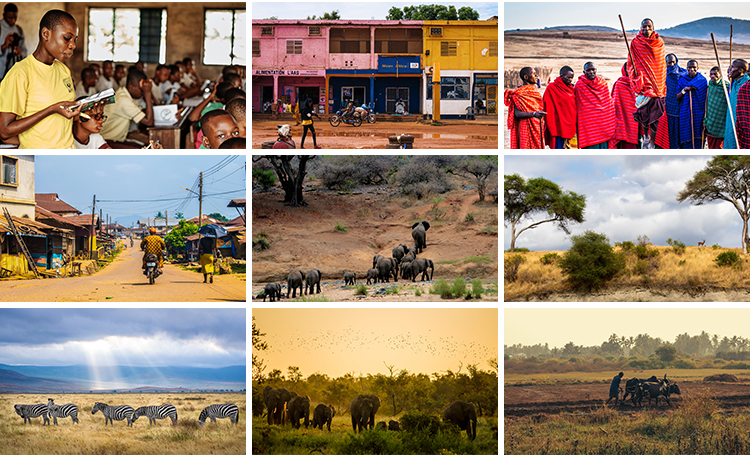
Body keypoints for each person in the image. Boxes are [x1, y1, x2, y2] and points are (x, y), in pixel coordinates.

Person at [0, 9, 80, 149]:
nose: (73, 45)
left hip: (69, 150)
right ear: (46, 34)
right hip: (42, 155)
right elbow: (5, 131)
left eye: (75, 40)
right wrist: (51, 110)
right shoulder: (20, 73)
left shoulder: (64, 71)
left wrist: (87, 110)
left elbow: (64, 118)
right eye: (67, 38)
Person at [627, 18, 666, 149]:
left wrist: (658, 82)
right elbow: (630, 64)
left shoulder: (659, 43)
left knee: (654, 119)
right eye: (644, 27)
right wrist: (635, 76)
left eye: (649, 27)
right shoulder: (635, 43)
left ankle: (653, 144)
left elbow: (661, 65)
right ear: (640, 27)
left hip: (657, 86)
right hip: (643, 86)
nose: (646, 29)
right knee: (643, 115)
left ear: (653, 28)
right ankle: (646, 138)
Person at [100, 68, 154, 147]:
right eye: (141, 90)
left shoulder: (126, 95)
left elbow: (144, 113)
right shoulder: (123, 100)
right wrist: (148, 93)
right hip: (106, 141)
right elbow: (149, 122)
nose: (143, 93)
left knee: (144, 145)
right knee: (141, 151)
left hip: (117, 139)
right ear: (131, 87)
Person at [575, 62, 615, 149]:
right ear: (584, 72)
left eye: (593, 70)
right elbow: (579, 106)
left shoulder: (603, 83)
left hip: (603, 125)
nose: (591, 72)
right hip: (589, 128)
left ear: (596, 70)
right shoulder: (579, 85)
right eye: (588, 70)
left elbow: (608, 105)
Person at [504, 66, 545, 149]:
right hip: (524, 125)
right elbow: (517, 113)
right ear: (526, 77)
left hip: (536, 125)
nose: (536, 76)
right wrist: (534, 114)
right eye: (533, 74)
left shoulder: (535, 92)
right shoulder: (519, 93)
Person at [676, 60, 707, 149]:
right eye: (690, 67)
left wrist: (693, 87)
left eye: (694, 67)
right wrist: (684, 90)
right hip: (685, 112)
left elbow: (704, 96)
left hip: (698, 112)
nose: (692, 69)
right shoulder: (682, 80)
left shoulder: (702, 80)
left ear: (697, 68)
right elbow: (678, 96)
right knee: (686, 133)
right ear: (687, 68)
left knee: (698, 134)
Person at [543, 65, 576, 149]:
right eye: (568, 77)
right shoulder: (551, 88)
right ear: (562, 76)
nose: (570, 80)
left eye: (572, 78)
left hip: (571, 125)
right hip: (557, 126)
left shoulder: (571, 88)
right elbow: (547, 106)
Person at [611, 63, 639, 148]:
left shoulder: (638, 84)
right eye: (628, 69)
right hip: (622, 121)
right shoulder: (619, 84)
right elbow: (615, 105)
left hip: (635, 122)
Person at [724, 59, 750, 149]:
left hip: (740, 124)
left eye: (732, 68)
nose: (730, 69)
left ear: (740, 70)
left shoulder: (746, 84)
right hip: (730, 122)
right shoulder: (734, 83)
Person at [665, 54, 687, 149]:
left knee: (681, 131)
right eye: (669, 62)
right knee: (670, 132)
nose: (672, 64)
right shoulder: (662, 74)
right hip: (669, 108)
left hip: (681, 107)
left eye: (674, 62)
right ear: (665, 63)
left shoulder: (683, 73)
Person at [704, 66, 730, 149]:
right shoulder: (709, 86)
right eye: (711, 74)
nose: (712, 76)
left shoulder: (726, 87)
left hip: (721, 122)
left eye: (715, 74)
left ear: (721, 75)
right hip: (711, 121)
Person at [0, 3, 26, 82]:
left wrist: (20, 53)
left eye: (15, 18)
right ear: (4, 15)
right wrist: (4, 46)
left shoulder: (19, 30)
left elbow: (24, 51)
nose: (13, 21)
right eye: (10, 18)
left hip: (13, 75)